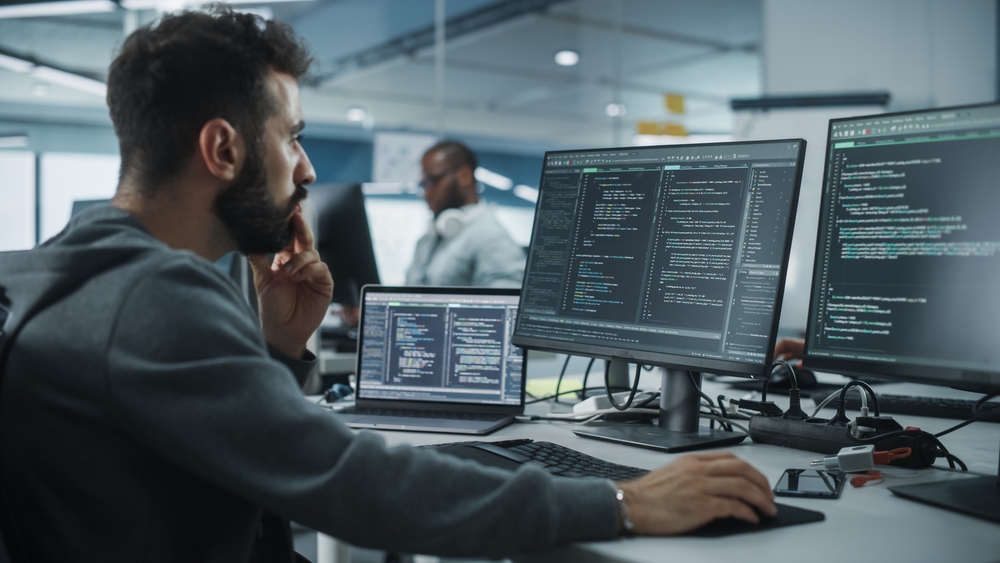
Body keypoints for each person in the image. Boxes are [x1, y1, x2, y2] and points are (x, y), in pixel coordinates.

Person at [0, 8, 775, 562]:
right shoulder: (150, 301)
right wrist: (622, 501)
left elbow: (230, 455)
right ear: (223, 147)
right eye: (293, 137)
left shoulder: (70, 274)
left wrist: (274, 350)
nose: (306, 169)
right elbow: (348, 484)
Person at [404, 141, 527, 288]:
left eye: (432, 181)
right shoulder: (429, 239)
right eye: (424, 185)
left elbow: (505, 307)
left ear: (465, 176)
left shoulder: (492, 239)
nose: (426, 193)